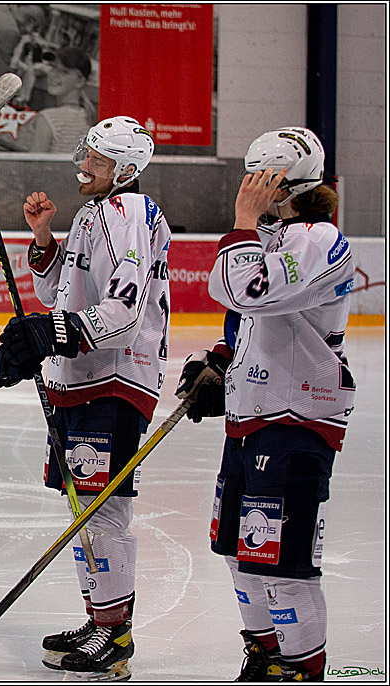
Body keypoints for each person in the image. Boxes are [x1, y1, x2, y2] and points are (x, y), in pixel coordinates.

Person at [0, 116, 169, 680]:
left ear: (125, 169)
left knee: (103, 511)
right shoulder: (98, 214)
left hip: (111, 380)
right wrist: (44, 239)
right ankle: (100, 621)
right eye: (86, 152)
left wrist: (51, 333)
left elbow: (122, 310)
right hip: (84, 380)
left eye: (96, 157)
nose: (83, 163)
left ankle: (115, 635)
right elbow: (55, 292)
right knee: (85, 509)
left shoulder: (128, 214)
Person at [176, 127, 353, 681]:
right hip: (253, 412)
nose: (248, 185)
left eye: (258, 175)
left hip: (296, 416)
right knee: (240, 548)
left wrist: (242, 222)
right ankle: (267, 656)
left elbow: (244, 289)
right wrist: (222, 359)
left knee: (284, 564)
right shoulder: (280, 234)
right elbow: (248, 312)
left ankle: (301, 668)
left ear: (283, 181)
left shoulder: (318, 239)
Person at [0, 46, 93, 154]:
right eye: (53, 67)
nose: (54, 75)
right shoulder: (86, 115)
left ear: (80, 81)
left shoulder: (48, 118)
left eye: (64, 72)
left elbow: (35, 166)